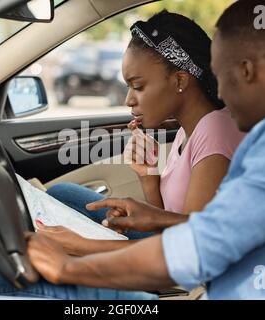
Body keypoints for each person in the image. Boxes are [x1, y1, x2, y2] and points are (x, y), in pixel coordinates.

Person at [0, 0, 265, 300]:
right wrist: (153, 202)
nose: (220, 96)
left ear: (247, 71)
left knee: (12, 281)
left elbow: (196, 252)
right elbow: (214, 230)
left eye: (220, 77)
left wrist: (69, 261)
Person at [37, 10, 244, 255]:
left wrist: (86, 247)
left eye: (138, 86)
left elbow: (191, 250)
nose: (128, 100)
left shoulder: (215, 132)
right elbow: (168, 226)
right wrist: (149, 178)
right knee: (62, 194)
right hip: (171, 251)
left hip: (186, 274)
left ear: (179, 80)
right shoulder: (188, 130)